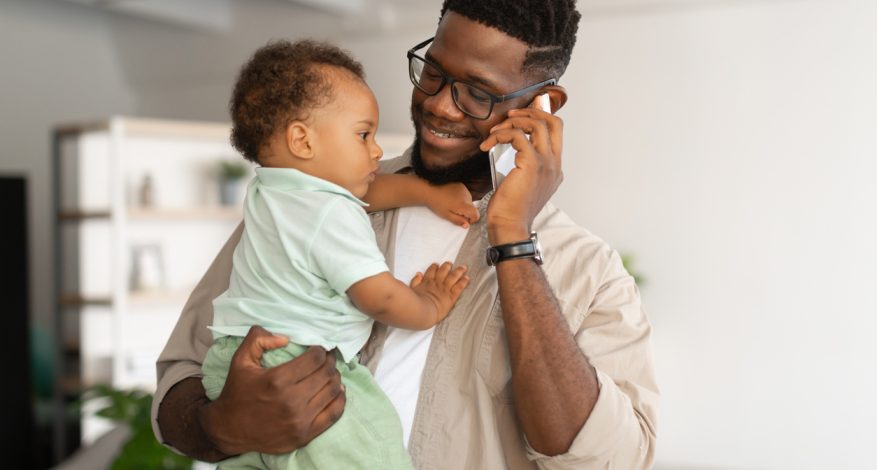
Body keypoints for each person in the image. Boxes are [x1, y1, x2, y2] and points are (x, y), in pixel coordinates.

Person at [152, 0, 660, 468]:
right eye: (433, 73)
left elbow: (607, 460)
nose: (440, 105)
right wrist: (222, 425)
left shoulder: (590, 271)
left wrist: (512, 237)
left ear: (542, 105)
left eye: (478, 93)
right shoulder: (311, 198)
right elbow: (180, 377)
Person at [199, 39, 477, 469]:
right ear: (302, 141)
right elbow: (378, 296)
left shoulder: (272, 191)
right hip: (302, 369)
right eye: (363, 134)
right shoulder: (330, 214)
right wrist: (429, 304)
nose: (378, 151)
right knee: (374, 452)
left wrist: (425, 193)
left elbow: (365, 194)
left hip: (233, 366)